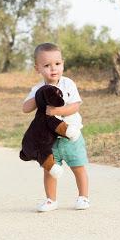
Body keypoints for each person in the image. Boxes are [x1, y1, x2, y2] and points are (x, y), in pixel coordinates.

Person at [22, 42, 90, 212]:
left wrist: (57, 110)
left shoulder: (68, 84)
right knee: (50, 170)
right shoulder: (38, 88)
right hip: (50, 140)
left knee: (78, 166)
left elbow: (75, 106)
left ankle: (83, 197)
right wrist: (39, 96)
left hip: (71, 137)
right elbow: (25, 108)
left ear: (63, 64)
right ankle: (51, 200)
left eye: (57, 64)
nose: (53, 69)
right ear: (37, 68)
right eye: (47, 65)